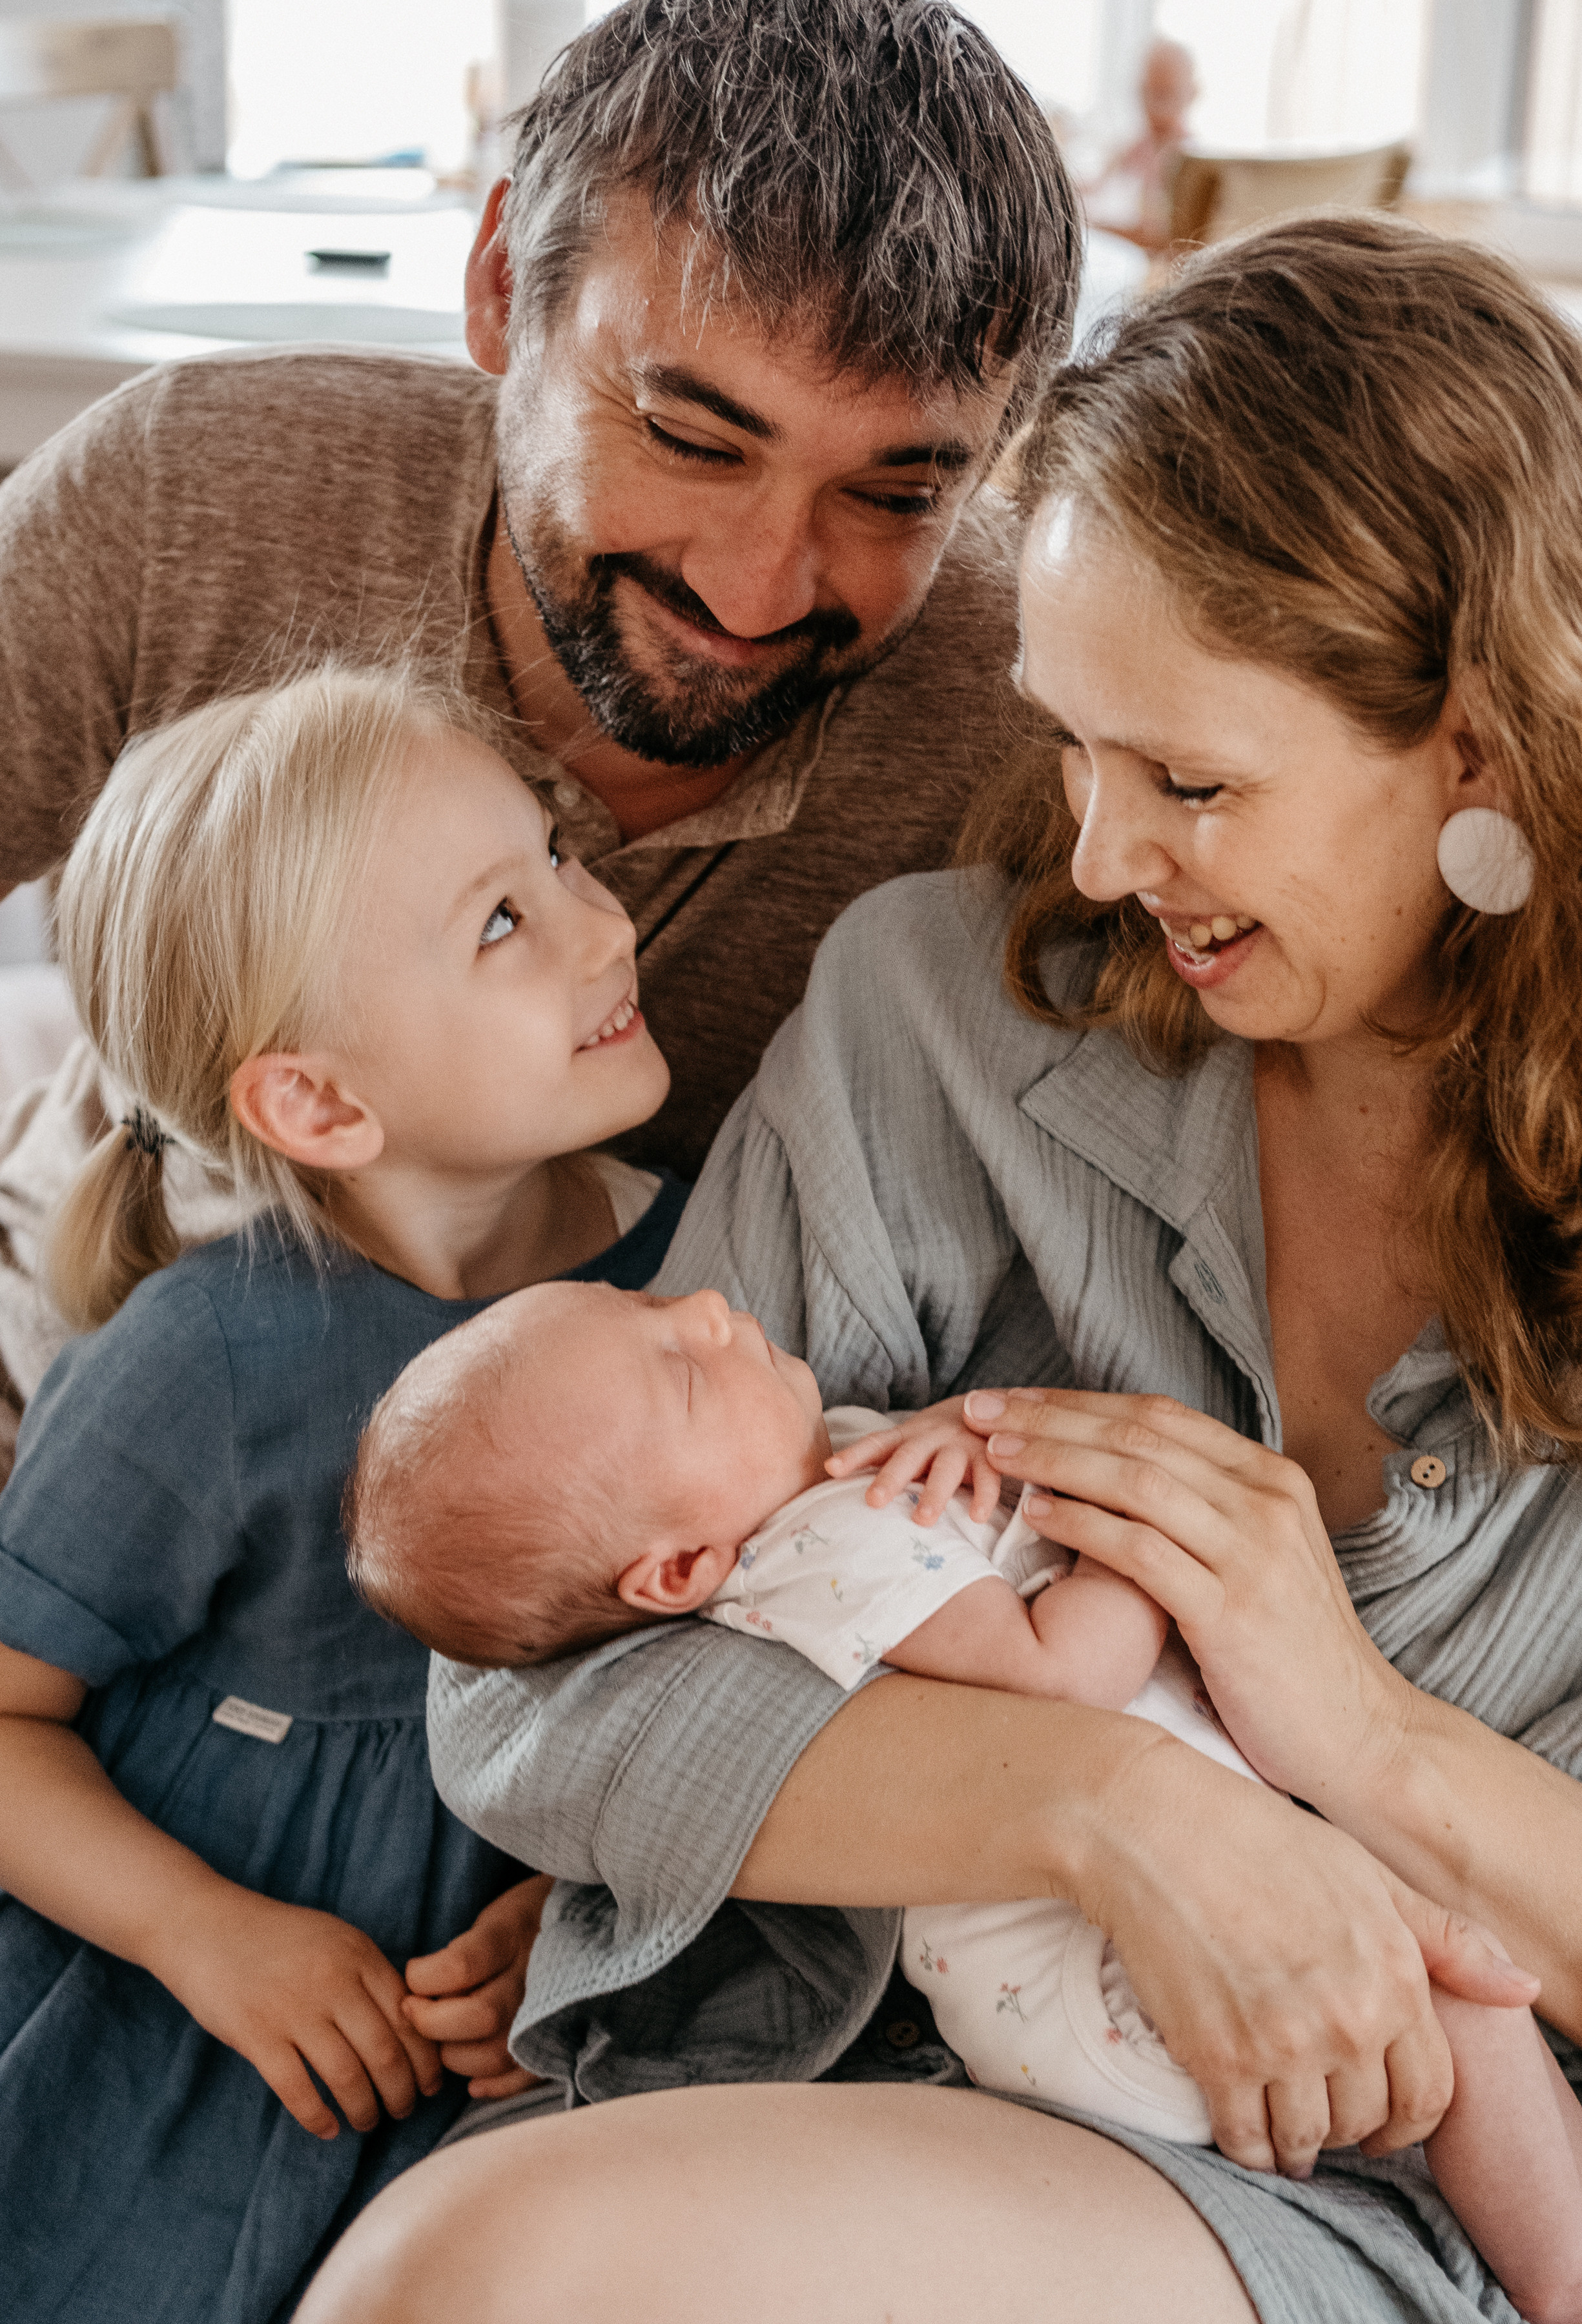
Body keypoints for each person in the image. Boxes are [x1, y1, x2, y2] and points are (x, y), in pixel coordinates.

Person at [298, 216, 1582, 2324]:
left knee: (504, 2270)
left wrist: (1361, 1744)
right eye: (1070, 742)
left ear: (1482, 748)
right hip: (850, 2039)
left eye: (1190, 782)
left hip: (1376, 2164)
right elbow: (542, 1693)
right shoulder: (940, 1018)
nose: (1093, 856)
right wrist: (1104, 1809)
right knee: (456, 2271)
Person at [0, 0, 1079, 1466]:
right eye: (692, 440)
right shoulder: (181, 495)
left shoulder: (1046, 713)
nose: (758, 589)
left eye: (895, 498)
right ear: (505, 284)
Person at [340, 1276, 1582, 2319]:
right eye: (678, 1370)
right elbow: (1064, 1673)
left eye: (653, 1302)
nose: (709, 1308)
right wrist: (1139, 1547)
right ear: (676, 1571)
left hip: (1069, 1998)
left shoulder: (803, 1492)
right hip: (1095, 1994)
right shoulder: (826, 1553)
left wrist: (955, 1432)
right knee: (1464, 1992)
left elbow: (948, 1524)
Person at [0, 665, 688, 2324]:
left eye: (558, 859)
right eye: (501, 923)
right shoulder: (208, 1364)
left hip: (498, 2086)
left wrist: (579, 1921)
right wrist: (207, 1936)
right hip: (161, 2058)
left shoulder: (699, 1284)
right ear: (316, 1100)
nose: (605, 928)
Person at [1080, 36, 1198, 254]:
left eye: (1165, 94)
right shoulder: (1132, 149)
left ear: (1192, 93)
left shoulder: (1190, 160)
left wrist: (1096, 223)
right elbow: (1092, 190)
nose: (1154, 106)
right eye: (1146, 92)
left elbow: (1163, 236)